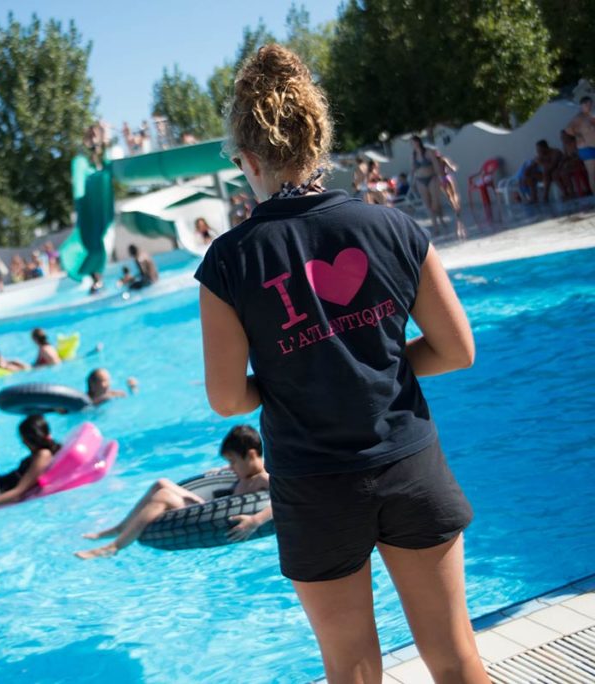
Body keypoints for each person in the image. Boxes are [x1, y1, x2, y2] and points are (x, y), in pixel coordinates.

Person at [199, 44, 484, 681]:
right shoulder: (394, 227)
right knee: (454, 652)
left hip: (314, 483)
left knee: (352, 667)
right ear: (318, 141)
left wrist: (293, 375)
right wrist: (373, 364)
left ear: (247, 158)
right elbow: (457, 350)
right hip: (410, 463)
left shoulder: (229, 260)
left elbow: (226, 399)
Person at [76, 425, 270, 559]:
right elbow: (232, 476)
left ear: (251, 455)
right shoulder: (243, 473)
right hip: (212, 508)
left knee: (163, 497)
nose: (231, 466)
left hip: (218, 515)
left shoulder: (262, 479)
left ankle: (114, 546)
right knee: (161, 483)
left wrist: (255, 521)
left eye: (232, 461)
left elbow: (284, 500)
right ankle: (119, 528)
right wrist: (220, 471)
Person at [410, 134, 448, 234]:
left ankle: (441, 219)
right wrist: (413, 183)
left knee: (435, 203)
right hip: (420, 180)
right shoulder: (414, 155)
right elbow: (413, 170)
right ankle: (436, 227)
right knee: (428, 204)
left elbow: (436, 165)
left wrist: (441, 178)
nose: (412, 145)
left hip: (432, 178)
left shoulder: (428, 152)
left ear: (418, 142)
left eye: (413, 142)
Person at [564, 96, 595, 194]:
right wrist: (578, 135)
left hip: (593, 145)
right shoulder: (579, 117)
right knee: (592, 173)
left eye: (590, 104)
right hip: (586, 148)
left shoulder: (591, 116)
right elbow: (567, 129)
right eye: (586, 104)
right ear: (581, 105)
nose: (588, 106)